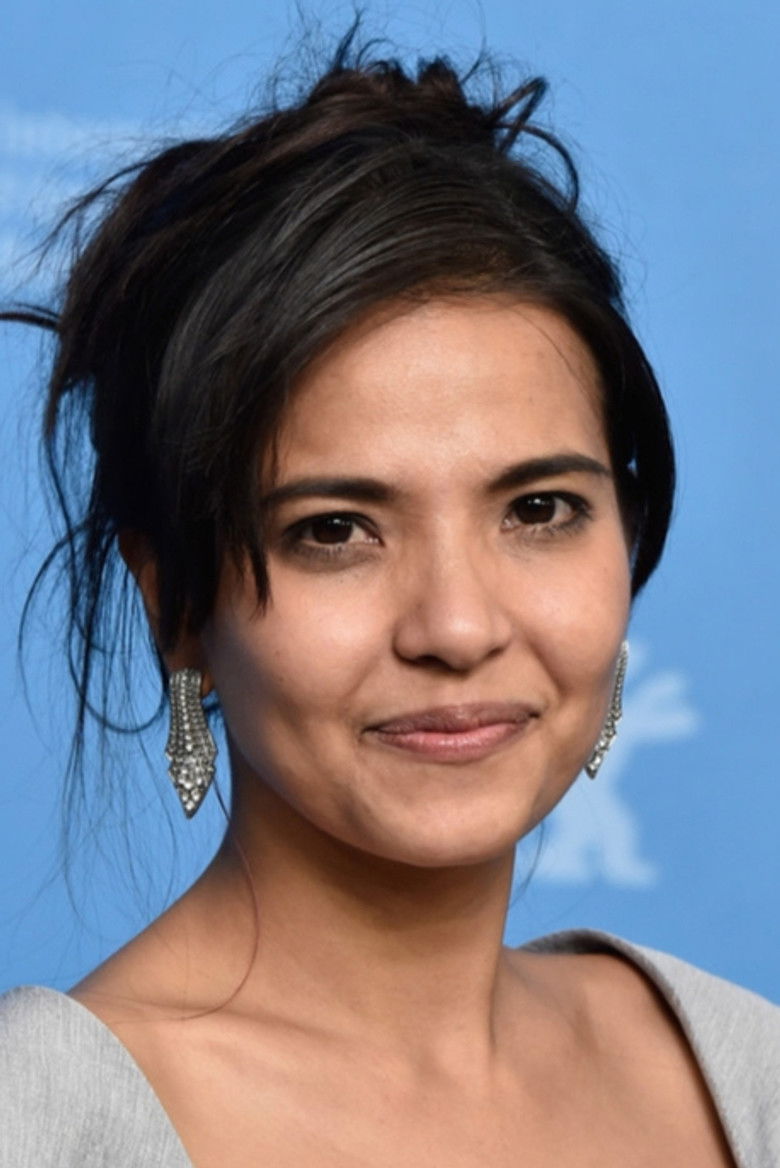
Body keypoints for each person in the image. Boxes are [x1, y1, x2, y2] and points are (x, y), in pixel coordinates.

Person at [0, 32, 777, 1168]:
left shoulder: (742, 1073)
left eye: (540, 509)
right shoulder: (40, 1122)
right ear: (174, 605)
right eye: (334, 531)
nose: (458, 627)